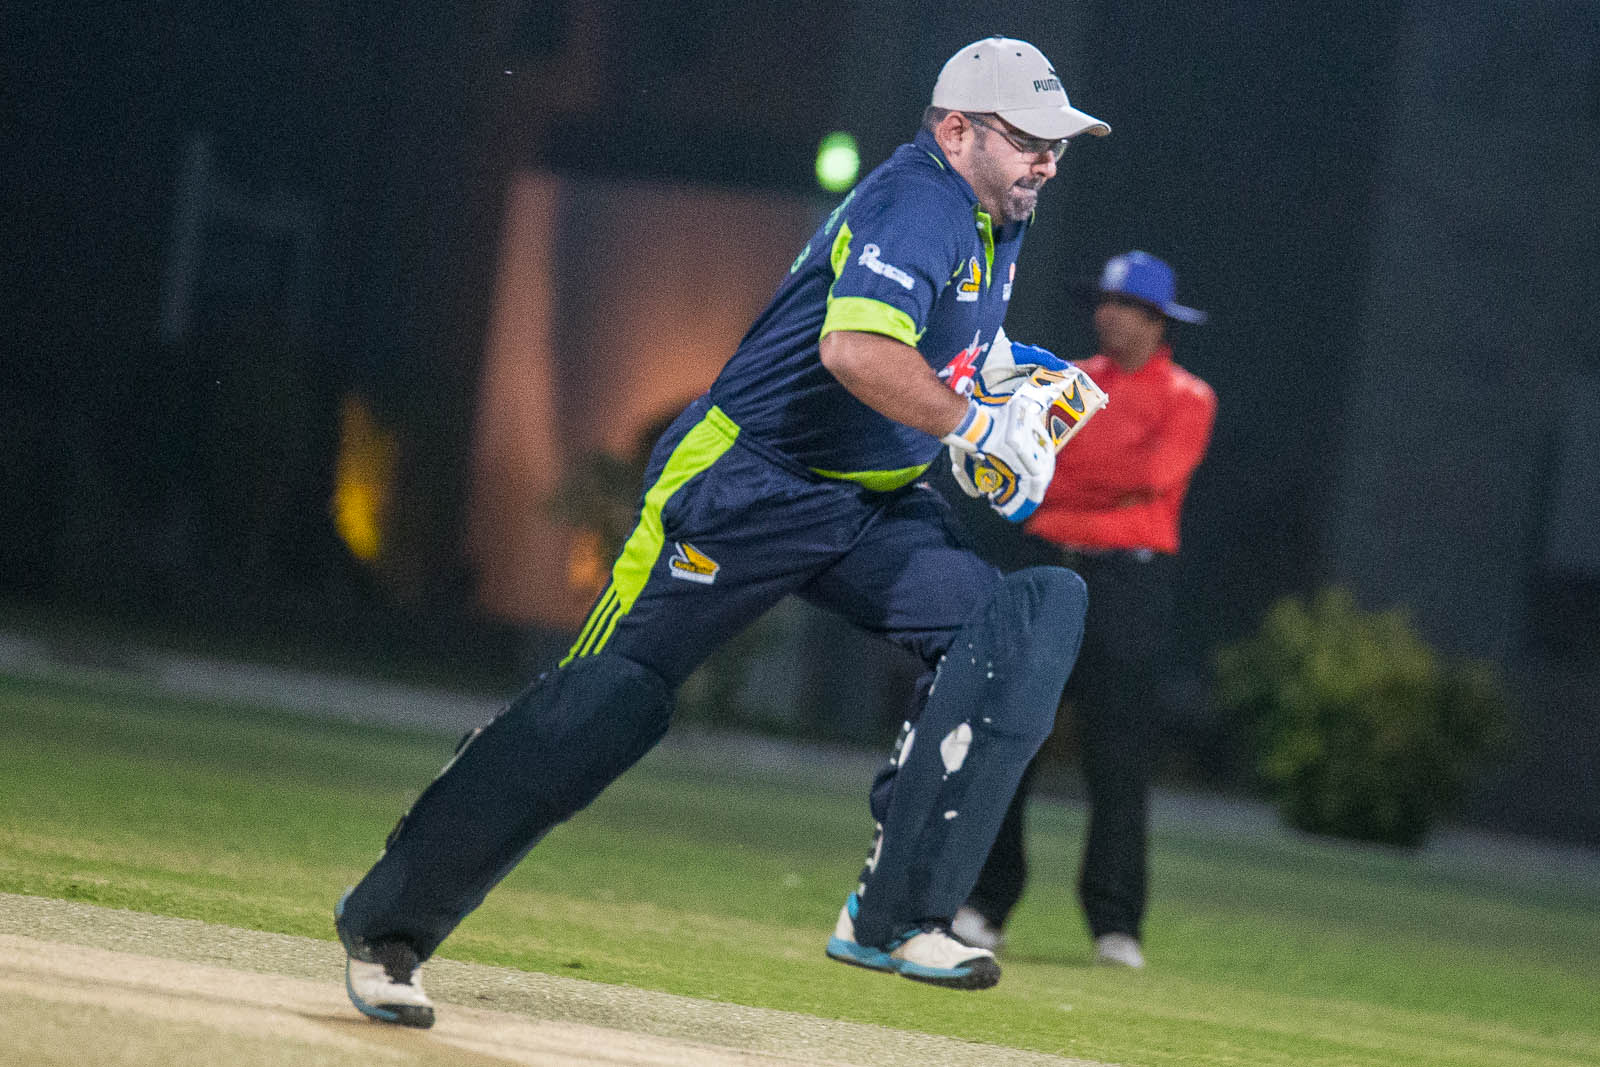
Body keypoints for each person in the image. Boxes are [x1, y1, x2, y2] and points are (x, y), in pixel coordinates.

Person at [333, 36, 1112, 1026]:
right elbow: (854, 347)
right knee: (604, 704)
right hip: (745, 487)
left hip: (867, 505)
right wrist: (973, 425)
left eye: (1056, 144)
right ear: (955, 132)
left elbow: (947, 337)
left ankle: (895, 913)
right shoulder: (920, 200)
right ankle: (389, 927)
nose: (1046, 161)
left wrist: (1003, 382)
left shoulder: (996, 217)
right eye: (1028, 140)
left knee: (1026, 618)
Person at [952, 251, 1216, 969]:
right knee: (1011, 734)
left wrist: (1064, 479)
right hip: (1049, 567)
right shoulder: (1065, 379)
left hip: (1129, 583)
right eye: (1104, 300)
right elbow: (1026, 469)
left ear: (1157, 320)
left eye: (1124, 304)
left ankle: (1115, 924)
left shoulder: (1188, 397)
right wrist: (1079, 482)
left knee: (1119, 756)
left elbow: (1149, 476)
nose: (1108, 314)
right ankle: (986, 903)